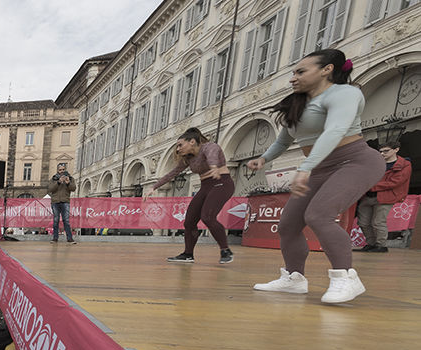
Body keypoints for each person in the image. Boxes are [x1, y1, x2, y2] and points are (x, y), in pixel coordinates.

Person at [249, 49, 385, 303]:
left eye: (301, 71)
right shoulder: (297, 103)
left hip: (355, 161)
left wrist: (305, 167)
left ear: (327, 70)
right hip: (322, 167)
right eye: (293, 73)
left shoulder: (345, 93)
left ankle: (346, 277)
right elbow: (283, 141)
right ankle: (294, 279)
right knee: (288, 225)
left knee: (319, 215)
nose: (293, 78)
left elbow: (336, 130)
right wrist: (264, 159)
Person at [142, 128, 236, 264]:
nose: (178, 149)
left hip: (222, 183)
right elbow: (172, 173)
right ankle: (188, 254)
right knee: (189, 222)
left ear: (192, 141)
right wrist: (153, 187)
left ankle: (225, 250)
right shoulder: (188, 159)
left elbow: (212, 155)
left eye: (180, 145)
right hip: (205, 187)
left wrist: (214, 166)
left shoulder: (209, 147)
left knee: (208, 217)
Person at [356, 142, 412, 253]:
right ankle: (371, 244)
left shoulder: (404, 164)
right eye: (380, 151)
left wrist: (370, 187)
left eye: (386, 151)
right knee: (363, 222)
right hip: (367, 196)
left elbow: (395, 182)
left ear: (396, 149)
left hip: (385, 197)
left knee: (379, 222)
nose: (382, 154)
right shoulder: (375, 163)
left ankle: (381, 245)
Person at [47, 163, 77, 243]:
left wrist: (68, 183)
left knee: (66, 220)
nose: (61, 171)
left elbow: (73, 188)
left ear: (65, 170)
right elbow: (50, 189)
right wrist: (58, 182)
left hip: (65, 201)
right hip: (55, 201)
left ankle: (69, 238)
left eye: (63, 169)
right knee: (56, 220)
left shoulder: (70, 178)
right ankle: (55, 238)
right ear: (57, 170)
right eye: (60, 170)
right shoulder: (53, 179)